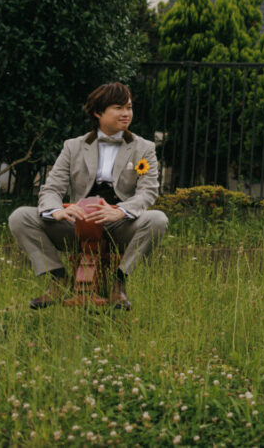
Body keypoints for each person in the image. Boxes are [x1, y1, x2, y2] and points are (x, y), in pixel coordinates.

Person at [9, 82, 168, 310]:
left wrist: (120, 211)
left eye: (129, 107)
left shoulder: (144, 148)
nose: (126, 113)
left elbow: (148, 191)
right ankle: (58, 279)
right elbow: (52, 188)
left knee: (158, 220)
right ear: (98, 113)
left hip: (120, 224)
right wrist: (58, 210)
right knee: (20, 217)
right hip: (78, 222)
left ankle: (119, 283)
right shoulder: (73, 146)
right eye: (118, 108)